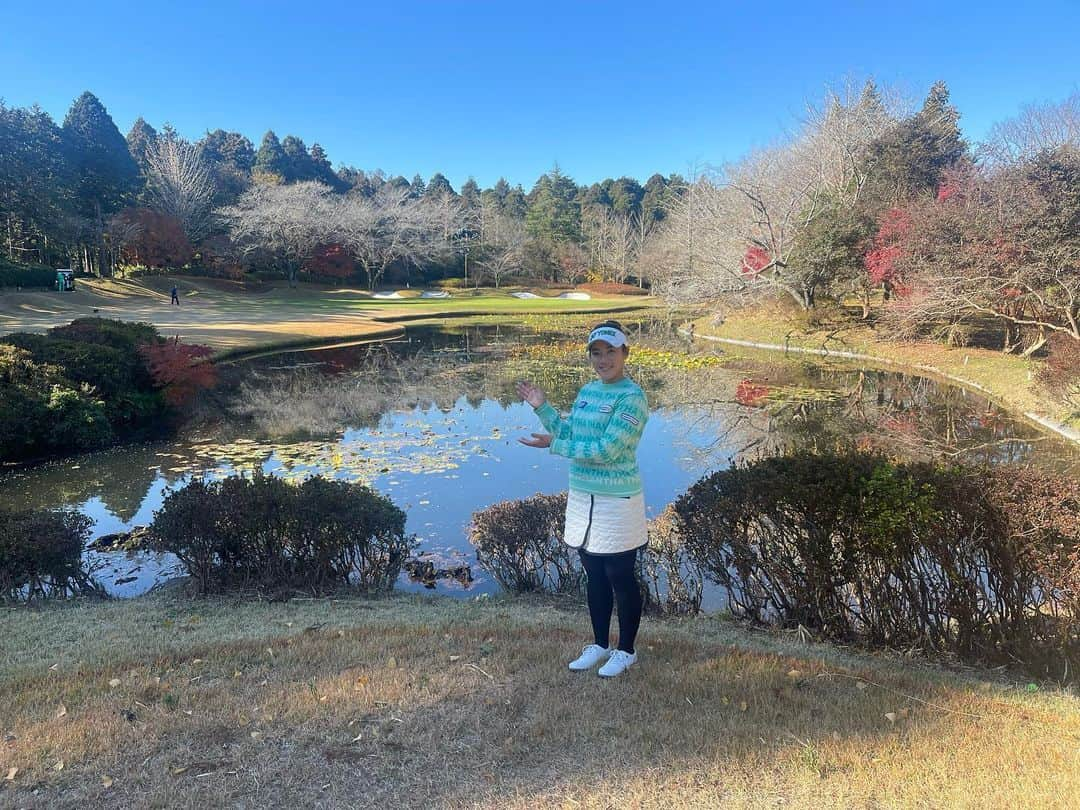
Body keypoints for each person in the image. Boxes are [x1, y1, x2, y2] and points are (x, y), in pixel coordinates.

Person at [516, 320, 649, 678]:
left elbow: (607, 450)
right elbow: (568, 433)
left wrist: (555, 446)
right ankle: (600, 644)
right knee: (594, 573)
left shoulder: (632, 397)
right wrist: (543, 409)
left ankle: (626, 650)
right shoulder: (588, 391)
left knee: (619, 573)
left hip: (617, 499)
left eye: (610, 352)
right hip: (584, 496)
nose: (603, 359)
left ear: (625, 353)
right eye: (596, 353)